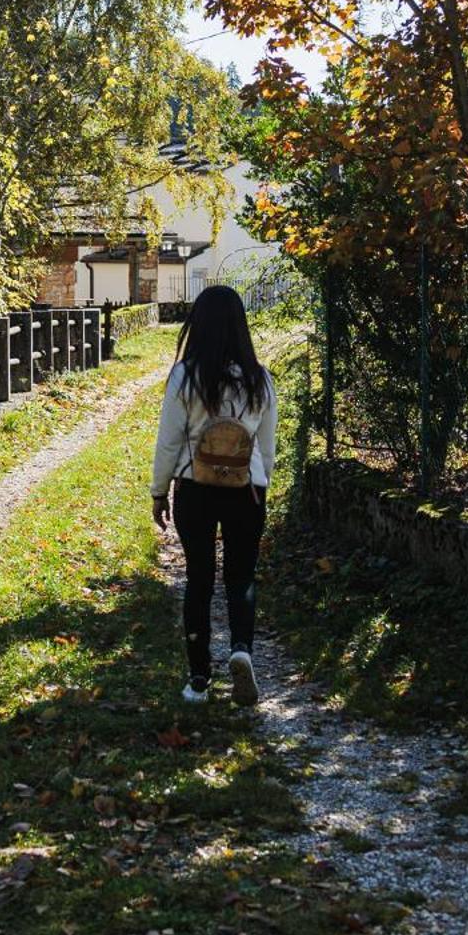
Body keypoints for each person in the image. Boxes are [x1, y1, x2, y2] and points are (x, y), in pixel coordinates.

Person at [150, 284, 277, 706]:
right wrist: (261, 485)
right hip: (247, 490)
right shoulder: (261, 380)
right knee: (241, 576)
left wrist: (159, 491)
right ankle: (241, 648)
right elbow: (267, 447)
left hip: (196, 487)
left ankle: (199, 678)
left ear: (197, 326)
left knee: (199, 578)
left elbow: (168, 441)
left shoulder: (185, 376)